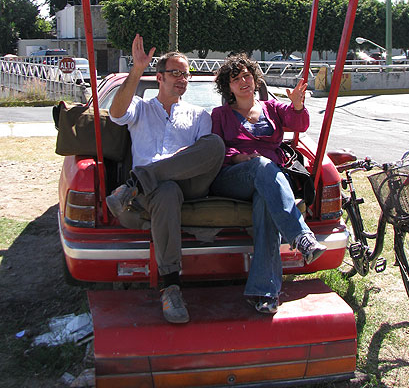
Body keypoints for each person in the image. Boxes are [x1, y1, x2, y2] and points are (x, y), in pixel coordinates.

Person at [106, 34, 225, 324]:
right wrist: (136, 69)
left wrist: (164, 166)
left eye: (186, 74)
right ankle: (170, 286)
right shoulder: (140, 107)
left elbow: (201, 156)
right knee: (167, 190)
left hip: (191, 184)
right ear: (159, 77)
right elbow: (116, 112)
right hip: (159, 193)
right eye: (175, 73)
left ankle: (135, 182)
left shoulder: (199, 115)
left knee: (215, 145)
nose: (183, 79)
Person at [210, 54, 326, 314]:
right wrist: (239, 157)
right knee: (261, 166)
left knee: (265, 202)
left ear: (255, 78)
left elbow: (300, 123)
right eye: (235, 78)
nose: (243, 81)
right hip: (233, 177)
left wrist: (296, 105)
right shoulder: (219, 114)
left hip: (268, 179)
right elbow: (213, 149)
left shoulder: (272, 107)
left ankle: (264, 292)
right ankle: (302, 237)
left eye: (247, 76)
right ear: (227, 87)